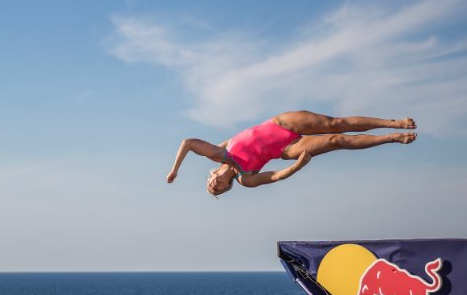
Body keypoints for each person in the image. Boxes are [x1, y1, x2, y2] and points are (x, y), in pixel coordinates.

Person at [167, 111, 416, 197]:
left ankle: (392, 123)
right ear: (226, 186)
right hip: (288, 149)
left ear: (211, 175)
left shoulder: (218, 154)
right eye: (217, 189)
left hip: (282, 124)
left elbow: (188, 142)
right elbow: (275, 176)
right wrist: (298, 166)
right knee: (337, 140)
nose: (215, 185)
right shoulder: (245, 177)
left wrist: (175, 170)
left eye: (211, 184)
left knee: (335, 123)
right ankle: (392, 137)